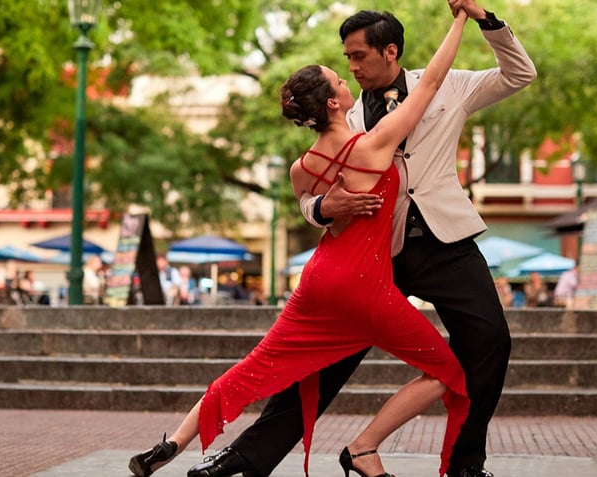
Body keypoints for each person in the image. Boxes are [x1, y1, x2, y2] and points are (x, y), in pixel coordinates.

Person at [190, 1, 536, 476]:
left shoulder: (448, 85)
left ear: (389, 51)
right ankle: (247, 459)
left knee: (491, 341)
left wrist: (485, 20)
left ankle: (464, 465)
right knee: (322, 359)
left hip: (446, 243)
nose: (351, 68)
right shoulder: (344, 115)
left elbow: (519, 73)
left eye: (358, 56)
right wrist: (320, 209)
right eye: (346, 59)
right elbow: (310, 192)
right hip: (373, 256)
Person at [129, 9, 470, 477]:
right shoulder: (374, 146)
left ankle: (169, 445)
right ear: (332, 104)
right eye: (339, 80)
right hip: (364, 286)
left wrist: (325, 208)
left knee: (253, 368)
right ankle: (365, 447)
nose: (347, 79)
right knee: (446, 373)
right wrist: (460, 22)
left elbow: (313, 211)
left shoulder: (301, 168)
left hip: (316, 281)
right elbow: (429, 83)